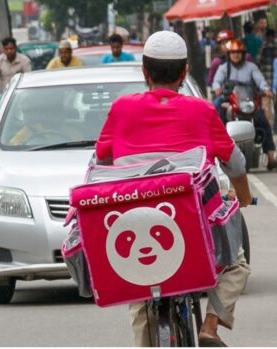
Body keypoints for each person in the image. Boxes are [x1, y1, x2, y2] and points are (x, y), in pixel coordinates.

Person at [95, 30, 253, 347]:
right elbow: (235, 165)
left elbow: (101, 159)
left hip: (136, 224)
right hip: (191, 226)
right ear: (184, 72)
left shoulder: (122, 109)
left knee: (141, 294)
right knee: (237, 263)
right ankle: (210, 324)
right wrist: (244, 197)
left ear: (144, 71)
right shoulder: (203, 111)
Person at [212, 39, 277, 171]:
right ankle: (216, 151)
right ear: (229, 54)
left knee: (263, 121)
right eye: (233, 52)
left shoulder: (251, 67)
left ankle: (271, 157)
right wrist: (217, 88)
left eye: (239, 52)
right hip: (229, 101)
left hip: (248, 102)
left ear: (243, 54)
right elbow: (216, 82)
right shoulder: (224, 68)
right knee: (216, 113)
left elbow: (260, 80)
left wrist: (265, 89)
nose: (236, 55)